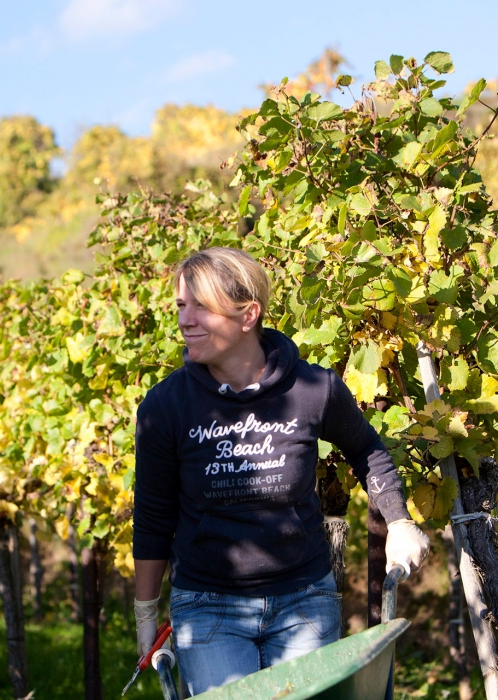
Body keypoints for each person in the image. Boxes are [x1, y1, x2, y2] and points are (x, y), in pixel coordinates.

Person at [131, 247, 430, 695]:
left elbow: (367, 450)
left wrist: (400, 522)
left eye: (200, 307)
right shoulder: (166, 407)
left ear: (248, 315)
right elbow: (154, 516)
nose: (185, 320)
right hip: (208, 609)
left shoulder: (313, 389)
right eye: (180, 306)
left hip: (304, 601)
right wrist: (146, 612)